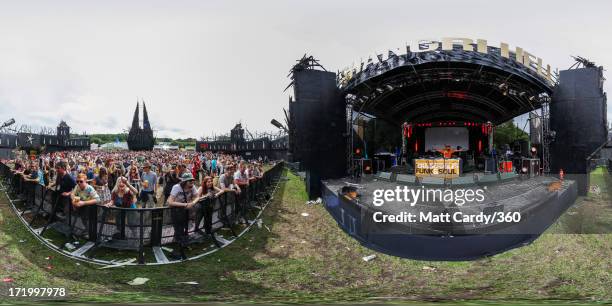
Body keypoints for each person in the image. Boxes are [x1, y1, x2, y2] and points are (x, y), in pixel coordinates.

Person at [167, 172, 201, 260]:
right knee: (179, 230)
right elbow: (170, 202)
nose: (192, 183)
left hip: (186, 211)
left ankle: (183, 244)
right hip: (176, 211)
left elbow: (197, 196)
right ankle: (177, 251)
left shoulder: (192, 187)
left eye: (192, 181)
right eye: (190, 181)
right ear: (185, 182)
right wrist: (185, 205)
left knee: (185, 228)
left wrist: (192, 203)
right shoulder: (176, 187)